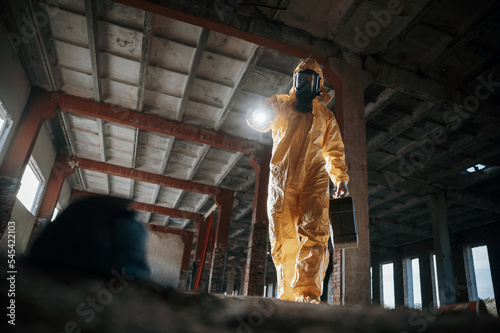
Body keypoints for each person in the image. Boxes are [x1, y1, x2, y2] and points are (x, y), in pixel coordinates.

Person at [246, 58, 349, 303]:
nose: (303, 83)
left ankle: (308, 293)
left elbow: (333, 150)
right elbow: (258, 122)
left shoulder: (325, 116)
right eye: (300, 78)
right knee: (284, 239)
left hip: (314, 178)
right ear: (294, 80)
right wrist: (256, 113)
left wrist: (341, 179)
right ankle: (288, 297)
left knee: (316, 234)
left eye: (309, 79)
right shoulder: (280, 105)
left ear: (318, 84)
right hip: (282, 181)